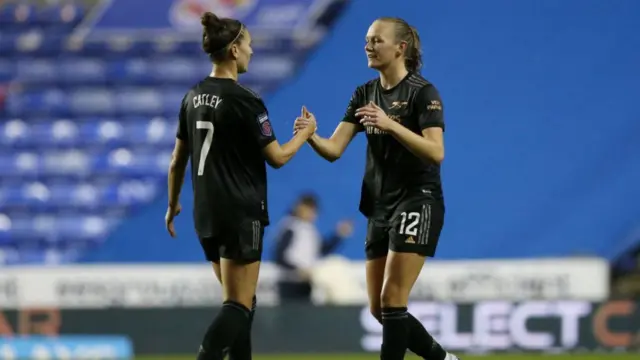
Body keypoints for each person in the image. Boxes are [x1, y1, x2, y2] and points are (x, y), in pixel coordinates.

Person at [294, 17, 460, 360]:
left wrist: (389, 125)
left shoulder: (422, 93)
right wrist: (311, 136)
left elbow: (436, 151)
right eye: (367, 40)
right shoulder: (364, 93)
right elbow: (334, 150)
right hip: (379, 205)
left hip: (418, 199)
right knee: (379, 310)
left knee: (393, 298)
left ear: (401, 48)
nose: (368, 46)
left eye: (376, 40)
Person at [164, 12, 316, 360]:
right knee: (238, 304)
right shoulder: (247, 100)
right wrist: (304, 135)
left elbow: (177, 160)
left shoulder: (191, 97)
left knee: (243, 300)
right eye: (248, 45)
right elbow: (276, 157)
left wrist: (172, 204)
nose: (251, 52)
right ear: (233, 50)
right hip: (240, 211)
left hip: (205, 215)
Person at [273, 192, 354, 303]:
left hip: (306, 283)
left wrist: (338, 235)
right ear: (300, 208)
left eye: (314, 211)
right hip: (290, 283)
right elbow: (279, 256)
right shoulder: (290, 227)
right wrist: (297, 270)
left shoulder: (310, 229)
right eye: (309, 210)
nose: (312, 214)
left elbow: (321, 250)